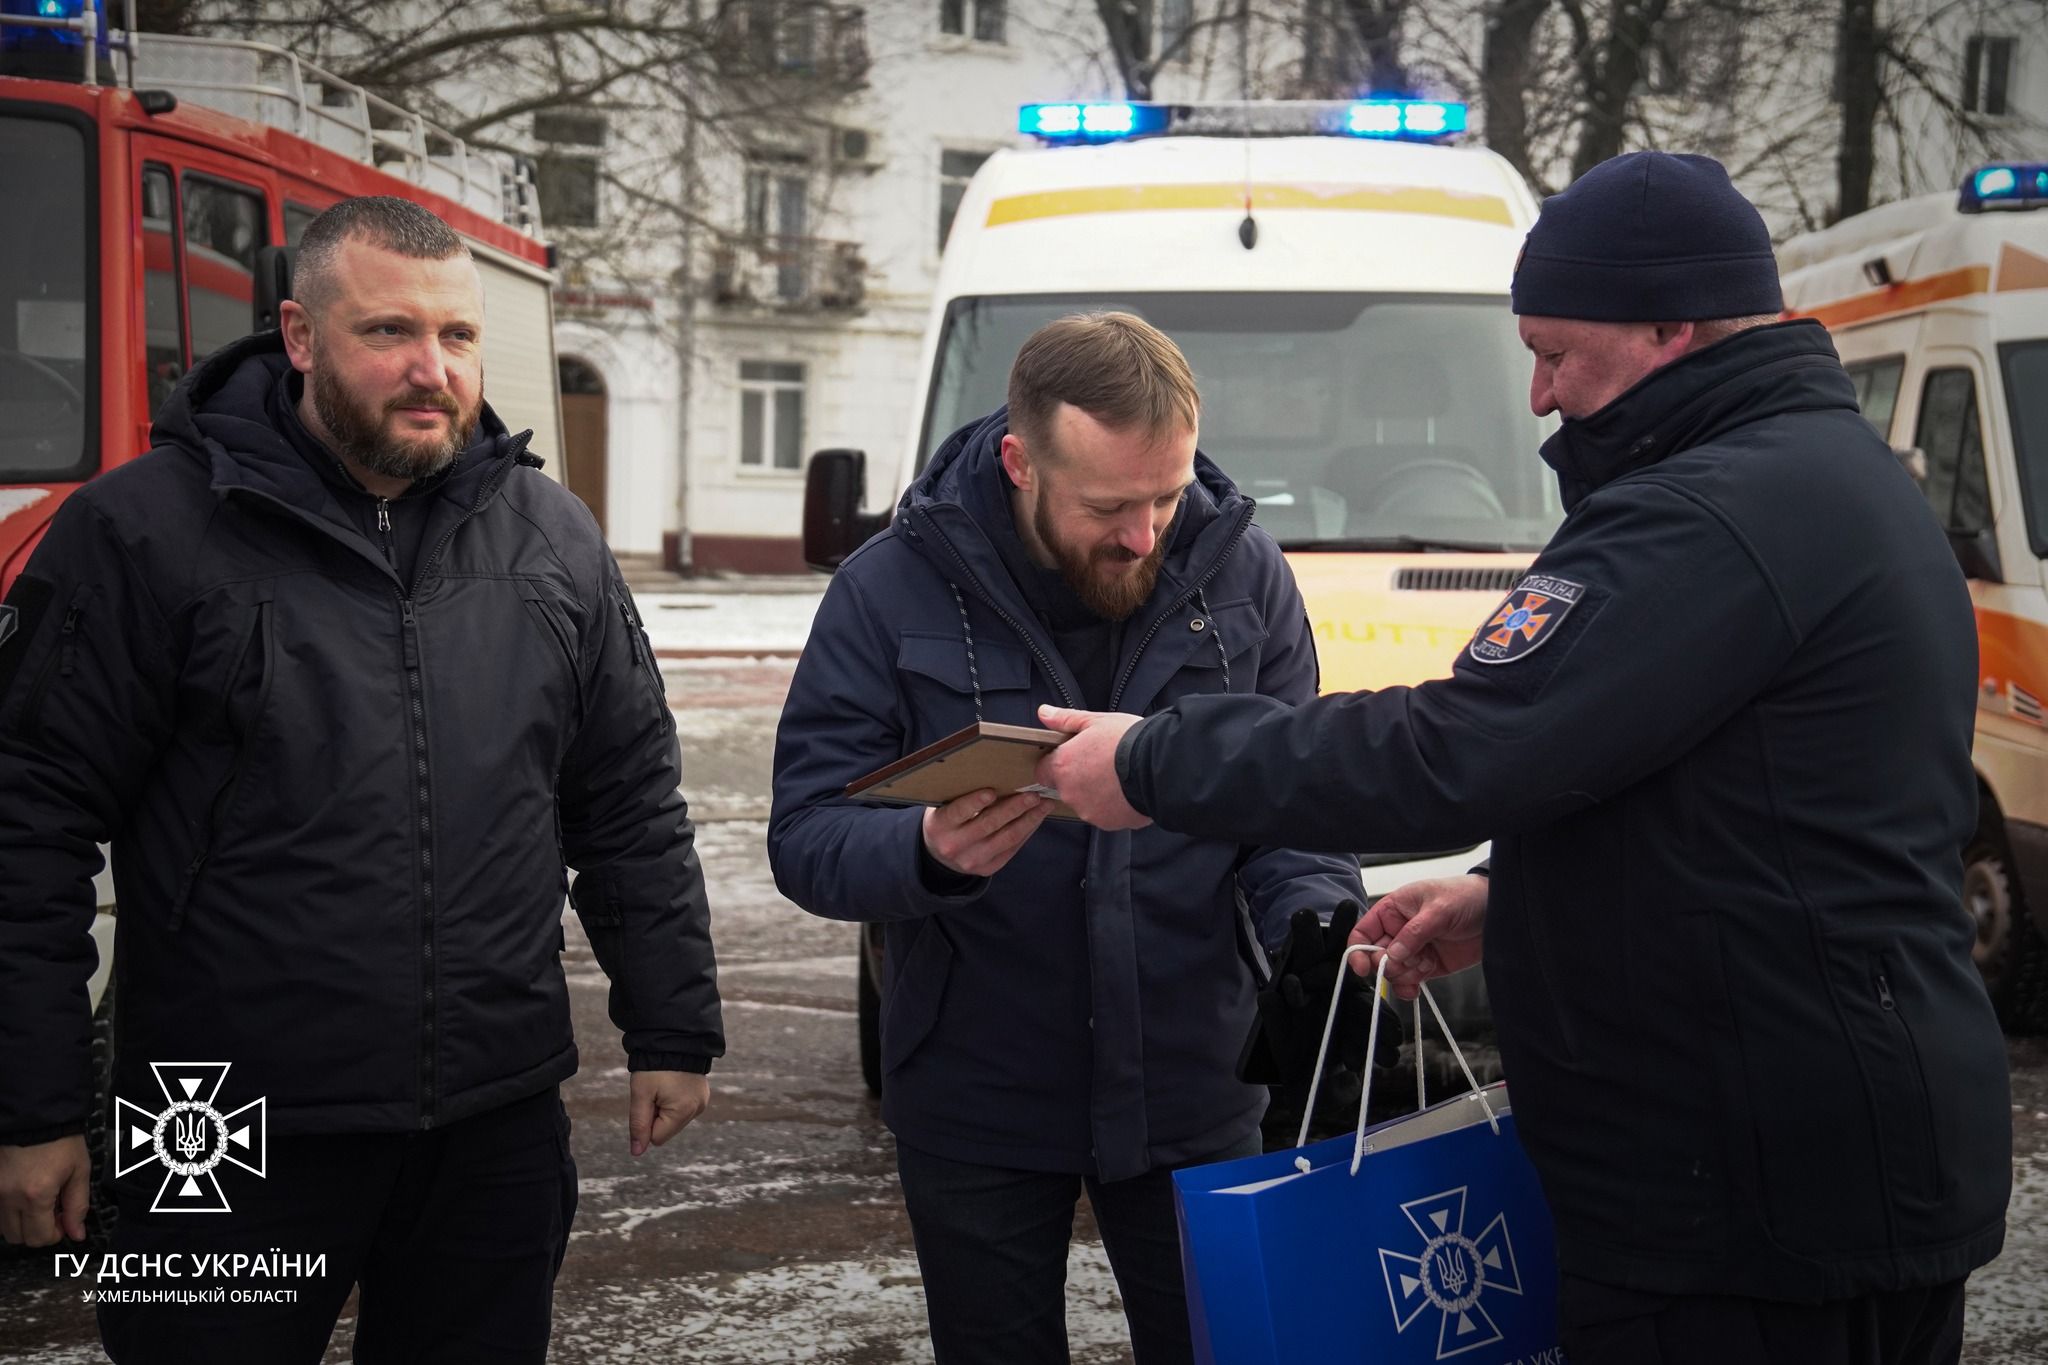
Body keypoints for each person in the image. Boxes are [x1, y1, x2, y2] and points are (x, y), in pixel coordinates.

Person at [1038, 152, 2012, 1364]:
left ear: (1669, 323)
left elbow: (1460, 747)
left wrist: (1152, 764)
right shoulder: (1826, 475)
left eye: (1554, 351)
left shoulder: (1703, 514)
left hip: (1741, 1198)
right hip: (1824, 1140)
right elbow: (1739, 804)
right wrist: (1512, 897)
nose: (1540, 393)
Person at [0, 196, 724, 1361]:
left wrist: (673, 1024)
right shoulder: (141, 533)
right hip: (212, 1121)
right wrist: (29, 1107)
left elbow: (626, 795)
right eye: (388, 332)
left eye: (457, 336)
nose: (431, 370)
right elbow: (24, 822)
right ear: (297, 334)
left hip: (490, 1121)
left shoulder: (552, 538)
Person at [768, 313, 1373, 1364]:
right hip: (975, 1088)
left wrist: (1318, 932)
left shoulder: (1245, 577)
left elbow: (1288, 808)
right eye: (1108, 505)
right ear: (1018, 462)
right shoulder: (885, 588)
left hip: (1197, 1079)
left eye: (1166, 496)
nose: (1143, 534)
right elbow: (804, 833)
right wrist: (923, 850)